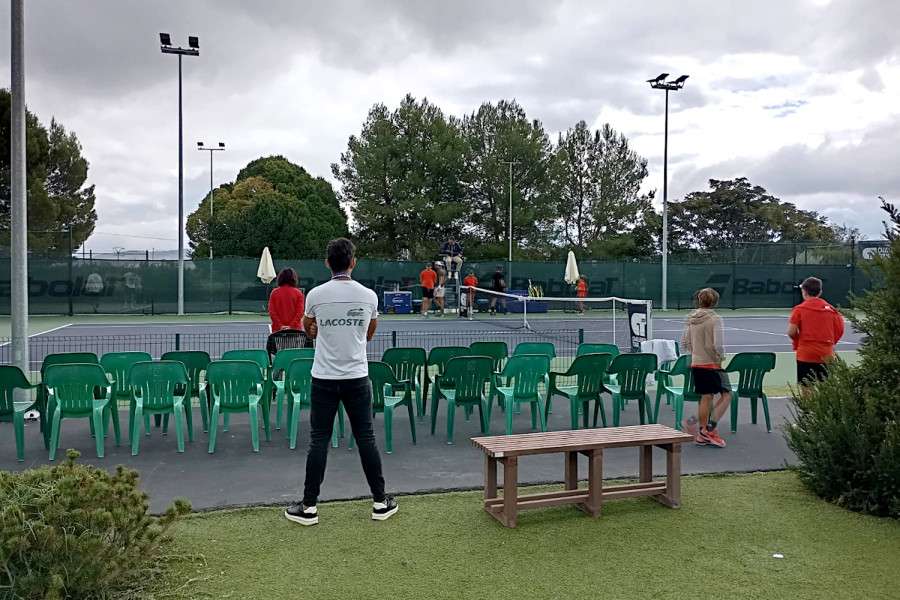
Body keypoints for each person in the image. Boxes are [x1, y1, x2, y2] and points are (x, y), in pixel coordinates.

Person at [285, 238, 397, 526]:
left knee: (318, 440)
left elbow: (308, 329)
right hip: (356, 378)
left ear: (327, 263)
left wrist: (318, 329)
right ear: (353, 262)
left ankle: (309, 507)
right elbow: (368, 333)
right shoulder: (369, 296)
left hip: (323, 377)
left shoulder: (315, 295)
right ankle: (380, 502)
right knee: (366, 438)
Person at [681, 287, 731, 448]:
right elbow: (717, 345)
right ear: (715, 302)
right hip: (711, 363)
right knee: (727, 395)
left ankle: (697, 427)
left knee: (706, 397)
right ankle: (709, 429)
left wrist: (697, 353)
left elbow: (686, 342)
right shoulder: (715, 319)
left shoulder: (692, 318)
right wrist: (719, 357)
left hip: (697, 362)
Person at [787, 276, 845, 395]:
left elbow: (791, 332)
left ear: (804, 292)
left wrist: (799, 340)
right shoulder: (832, 310)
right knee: (827, 389)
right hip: (826, 354)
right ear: (820, 292)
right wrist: (829, 343)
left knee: (807, 389)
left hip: (806, 354)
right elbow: (839, 329)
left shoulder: (799, 309)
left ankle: (808, 407)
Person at [268, 267, 305, 333]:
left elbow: (272, 312)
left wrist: (280, 325)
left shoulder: (274, 293)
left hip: (278, 331)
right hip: (295, 330)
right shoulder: (298, 293)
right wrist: (291, 326)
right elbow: (300, 312)